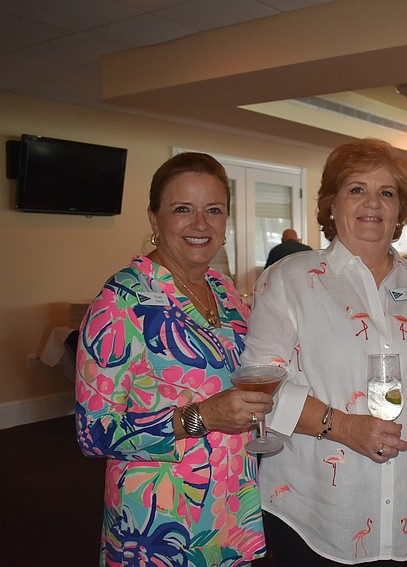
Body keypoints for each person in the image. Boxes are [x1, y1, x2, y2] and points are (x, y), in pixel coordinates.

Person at [241, 139, 407, 565]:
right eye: (357, 189)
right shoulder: (290, 278)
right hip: (317, 509)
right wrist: (343, 427)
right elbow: (258, 387)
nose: (372, 202)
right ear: (331, 204)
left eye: (387, 192)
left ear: (400, 211)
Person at [75, 152, 272, 566]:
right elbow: (94, 433)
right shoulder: (121, 302)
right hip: (159, 520)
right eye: (183, 209)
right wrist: (203, 417)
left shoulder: (225, 291)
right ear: (154, 219)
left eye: (213, 210)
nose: (200, 224)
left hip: (230, 504)